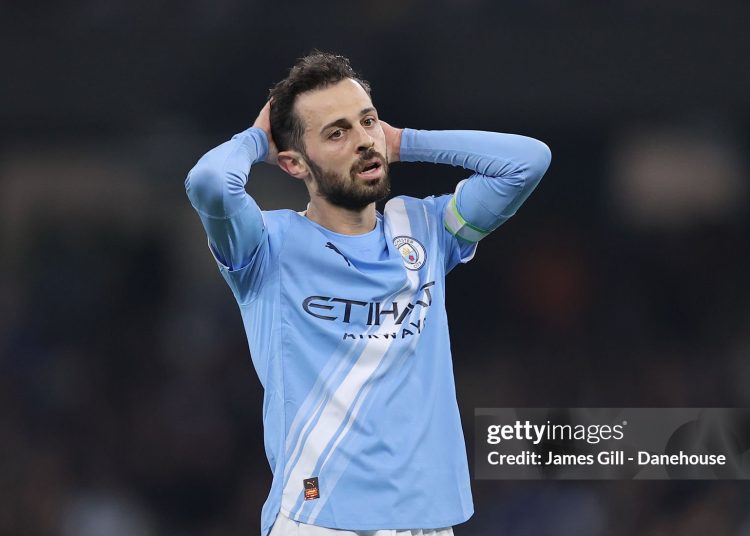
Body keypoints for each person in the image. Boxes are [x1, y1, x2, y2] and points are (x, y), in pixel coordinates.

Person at [185, 51, 551, 536]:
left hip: (427, 519)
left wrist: (403, 141)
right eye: (337, 133)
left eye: (367, 122)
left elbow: (527, 163)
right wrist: (257, 139)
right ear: (294, 163)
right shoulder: (266, 246)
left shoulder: (426, 229)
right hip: (320, 518)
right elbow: (210, 182)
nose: (362, 141)